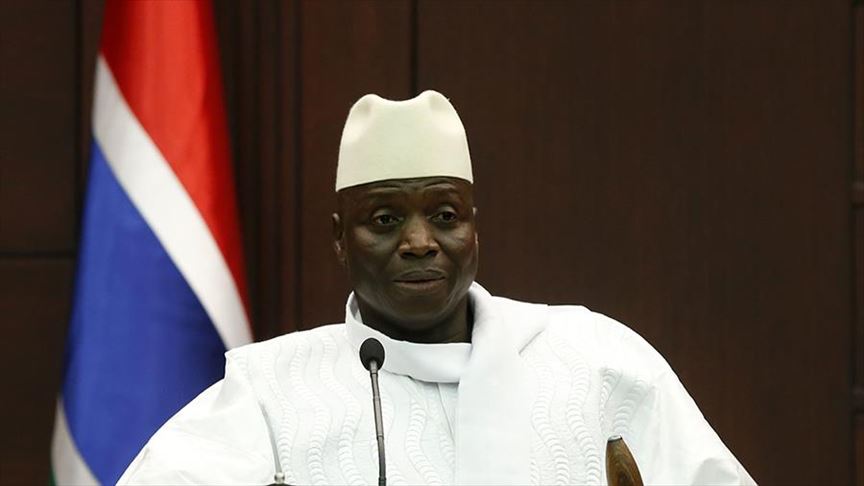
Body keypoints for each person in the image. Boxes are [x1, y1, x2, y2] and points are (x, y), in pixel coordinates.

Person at [119, 91, 756, 485]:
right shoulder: (271, 394)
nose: (420, 241)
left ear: (475, 227)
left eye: (445, 216)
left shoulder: (596, 360)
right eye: (385, 220)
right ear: (340, 238)